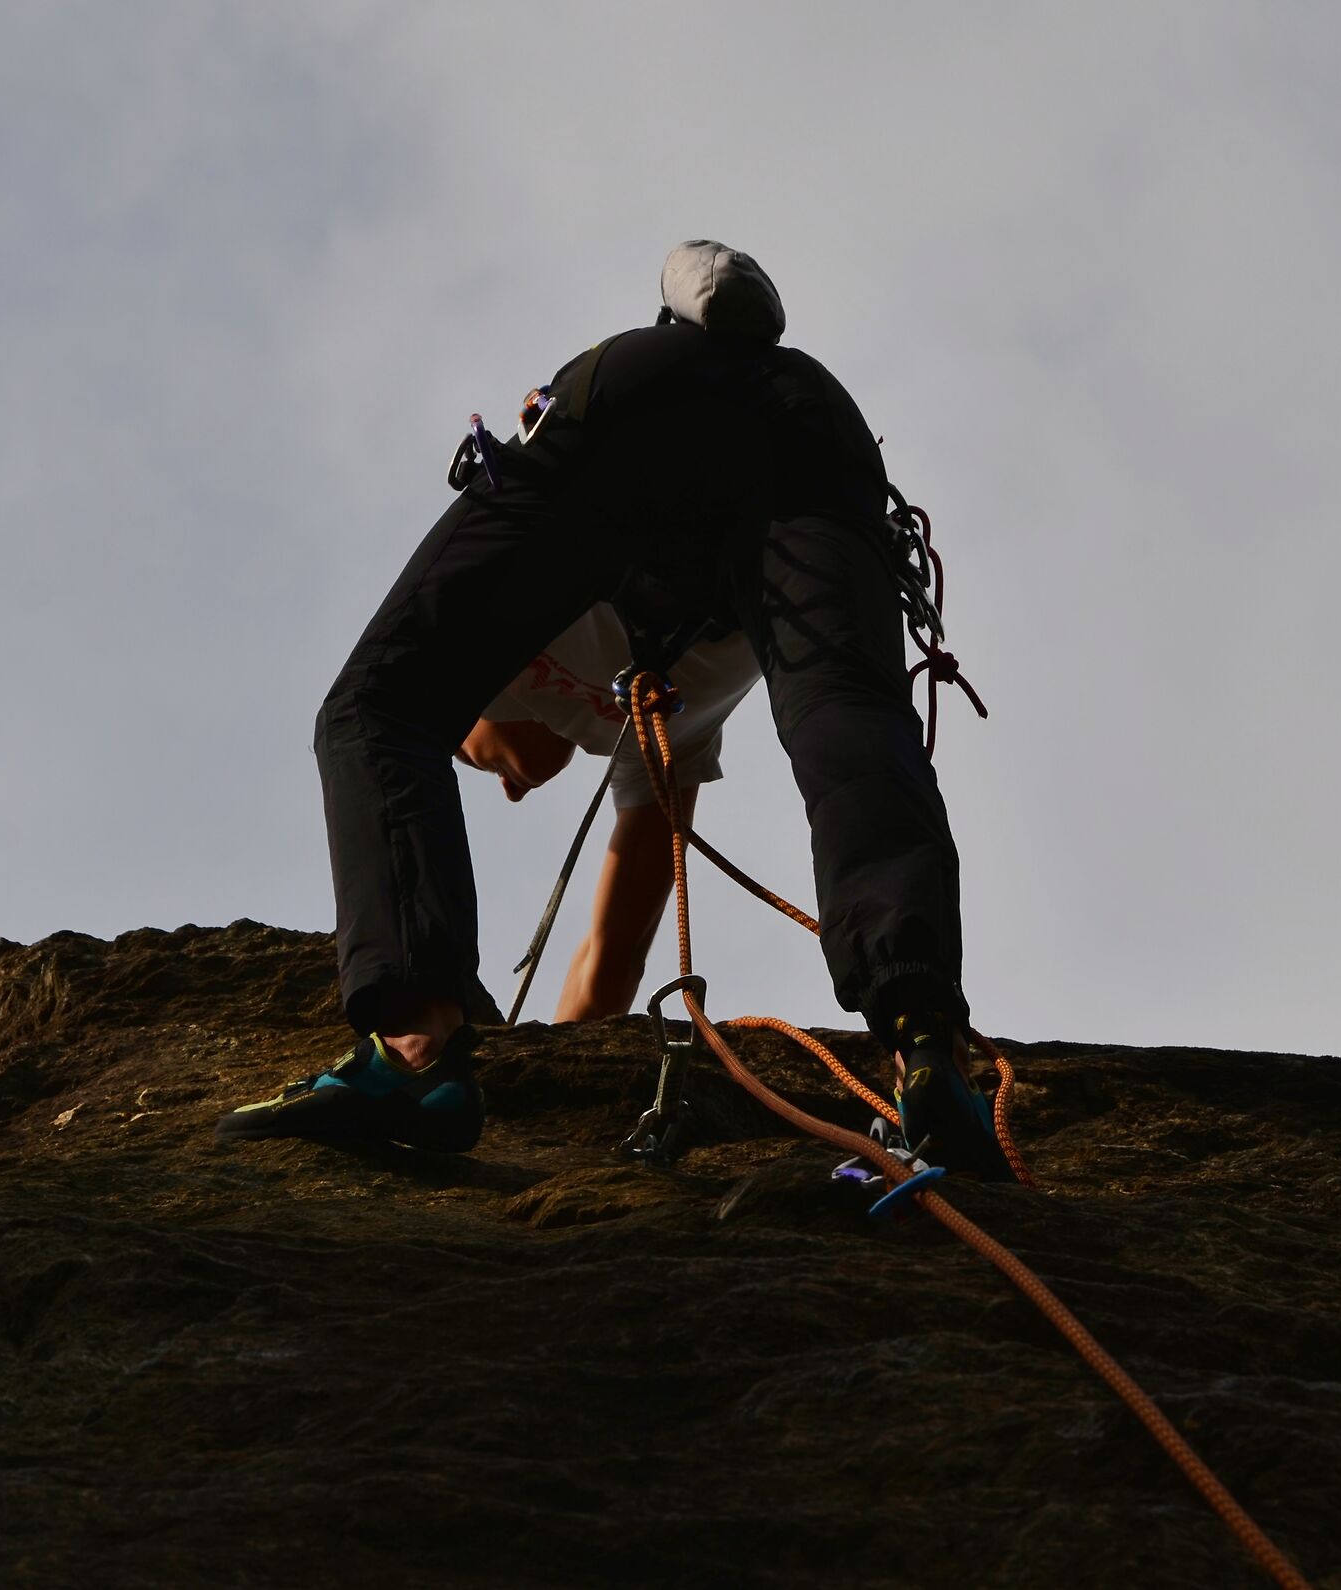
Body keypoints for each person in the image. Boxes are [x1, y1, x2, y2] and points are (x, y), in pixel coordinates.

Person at [217, 240, 1004, 1175]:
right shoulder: (663, 733)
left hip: (647, 401)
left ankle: (417, 1049)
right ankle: (926, 1049)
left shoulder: (507, 663)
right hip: (813, 436)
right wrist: (552, 1074)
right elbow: (613, 950)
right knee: (849, 720)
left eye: (477, 757)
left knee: (377, 709)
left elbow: (605, 925)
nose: (510, 784)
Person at [456, 604, 759, 1021]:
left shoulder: (485, 620)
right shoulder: (668, 743)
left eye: (481, 764)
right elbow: (611, 962)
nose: (511, 793)